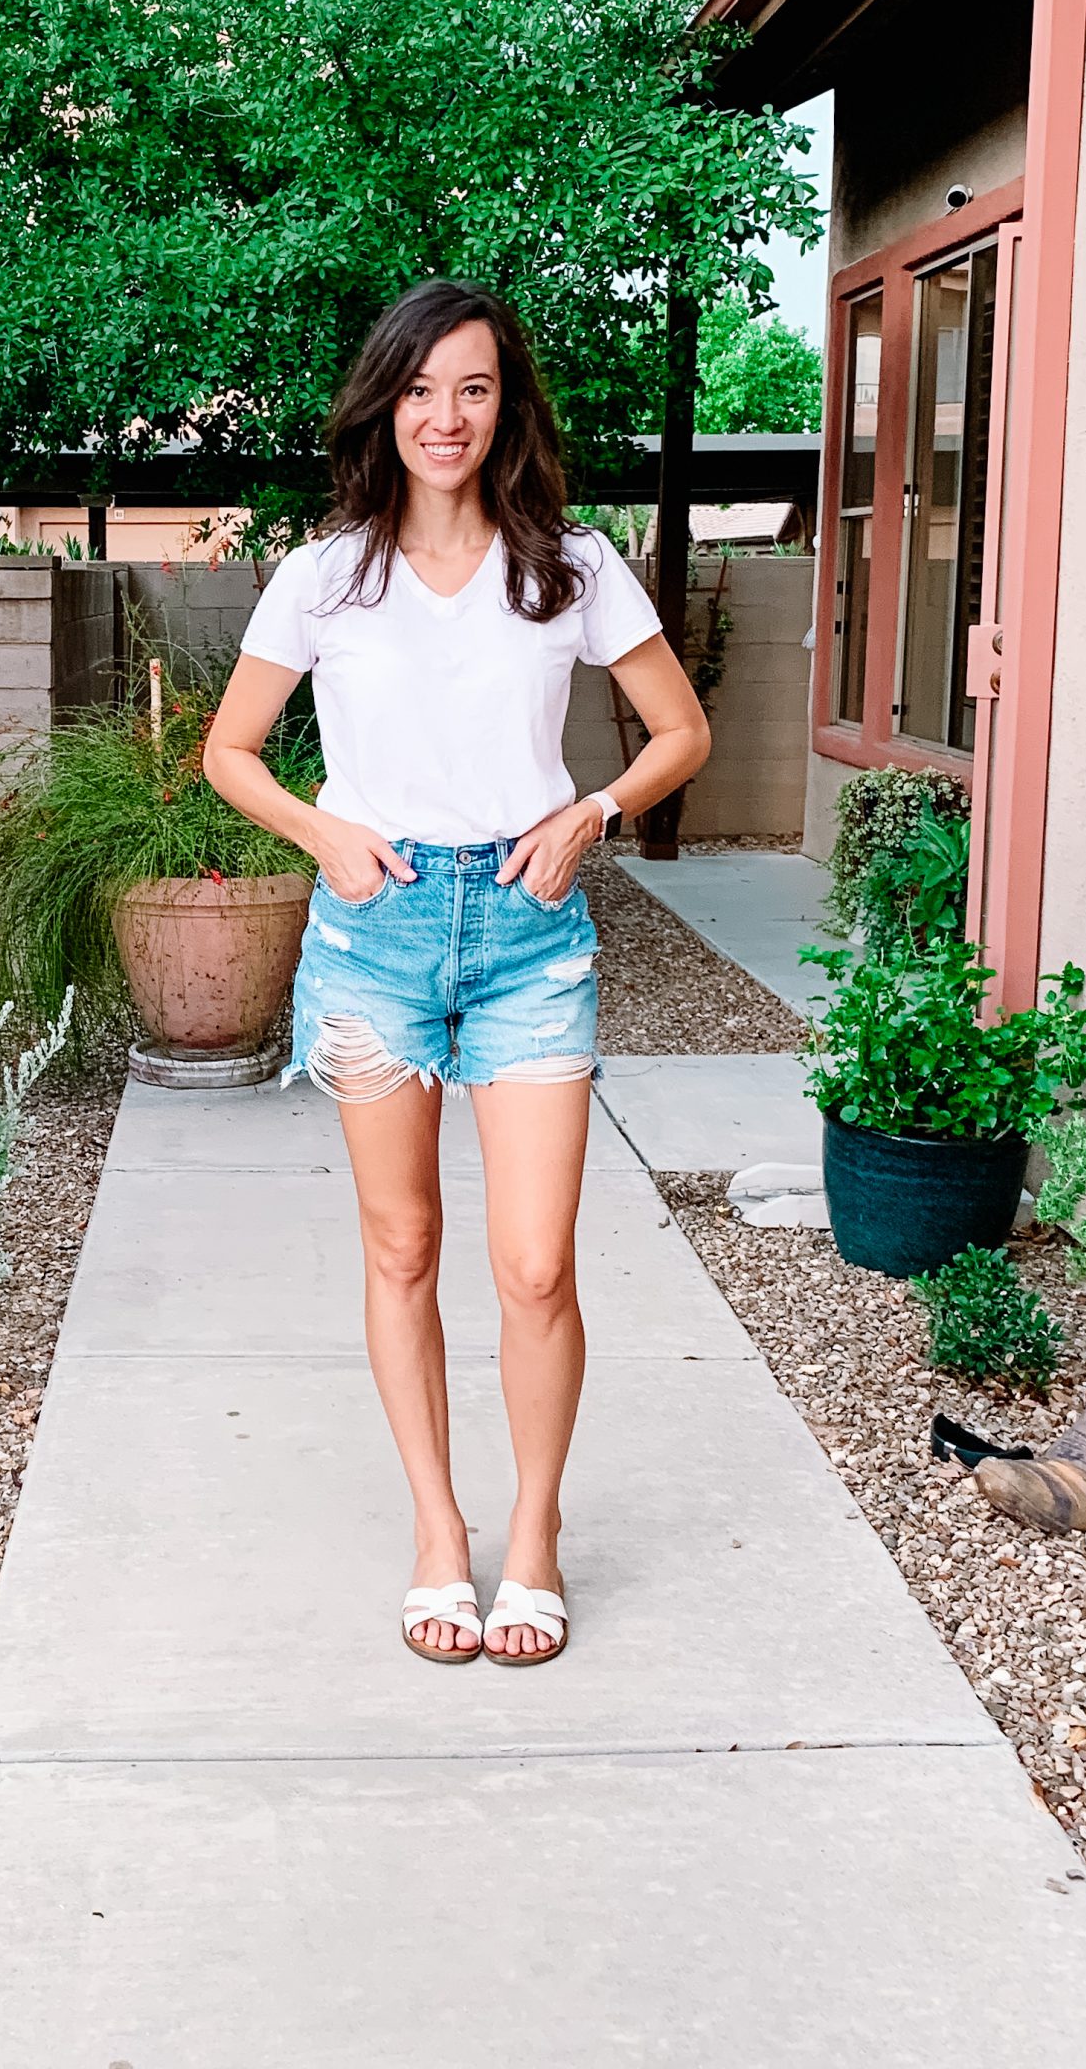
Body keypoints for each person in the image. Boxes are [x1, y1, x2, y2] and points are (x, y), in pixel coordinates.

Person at [204, 279, 711, 1668]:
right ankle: (441, 1529)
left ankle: (533, 1535)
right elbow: (229, 752)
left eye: (474, 390)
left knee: (536, 1265)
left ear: (506, 408)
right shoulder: (325, 575)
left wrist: (591, 815)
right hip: (373, 934)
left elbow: (679, 733)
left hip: (526, 935)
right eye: (421, 391)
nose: (446, 416)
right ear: (386, 405)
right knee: (403, 1245)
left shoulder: (572, 566)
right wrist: (325, 833)